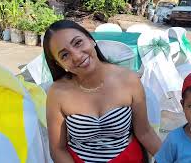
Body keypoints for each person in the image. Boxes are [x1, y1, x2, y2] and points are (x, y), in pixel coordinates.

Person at [43, 20, 161, 163]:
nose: (77, 56)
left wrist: (173, 159)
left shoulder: (128, 80)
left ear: (91, 40)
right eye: (64, 55)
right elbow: (57, 149)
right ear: (59, 64)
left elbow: (145, 132)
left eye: (78, 43)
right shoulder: (57, 93)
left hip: (128, 158)